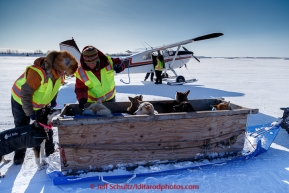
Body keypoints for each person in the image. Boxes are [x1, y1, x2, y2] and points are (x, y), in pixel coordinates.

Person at [11, 50, 78, 165]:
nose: (65, 75)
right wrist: (30, 112)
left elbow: (54, 88)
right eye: (64, 72)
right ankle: (19, 154)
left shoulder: (60, 75)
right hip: (21, 101)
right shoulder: (37, 73)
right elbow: (25, 94)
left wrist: (52, 100)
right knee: (22, 127)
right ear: (57, 67)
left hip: (39, 103)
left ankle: (50, 150)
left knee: (46, 126)